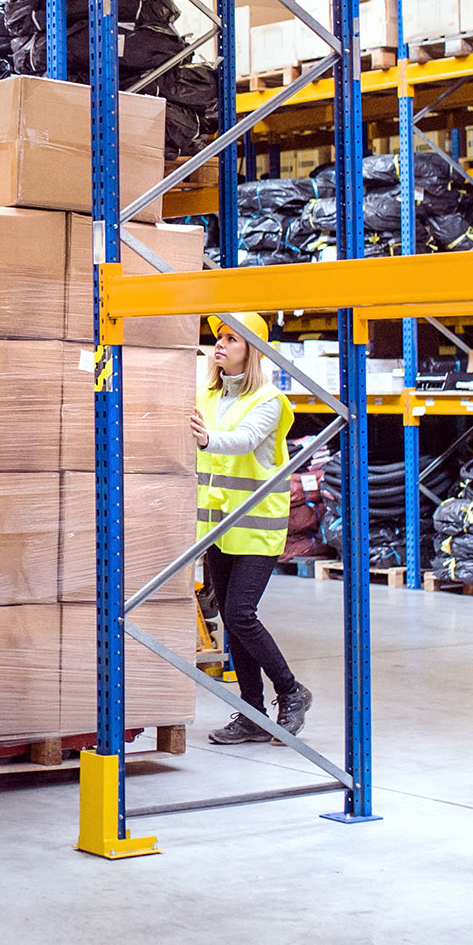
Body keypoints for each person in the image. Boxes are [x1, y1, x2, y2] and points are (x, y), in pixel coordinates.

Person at [191, 312, 314, 745]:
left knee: (242, 612)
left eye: (231, 339)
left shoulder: (269, 400)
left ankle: (291, 691)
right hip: (217, 528)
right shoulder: (206, 396)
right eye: (217, 338)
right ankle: (251, 712)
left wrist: (206, 440)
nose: (219, 345)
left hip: (257, 528)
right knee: (230, 618)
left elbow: (243, 440)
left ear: (252, 350)